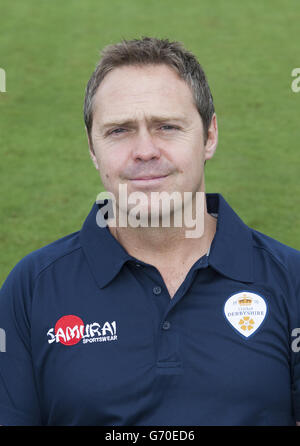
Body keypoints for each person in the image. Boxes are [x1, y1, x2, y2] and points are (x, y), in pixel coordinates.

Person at [0, 36, 300, 426]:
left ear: (209, 136)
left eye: (167, 126)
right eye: (119, 131)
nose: (145, 150)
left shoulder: (291, 279)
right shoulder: (31, 288)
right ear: (92, 148)